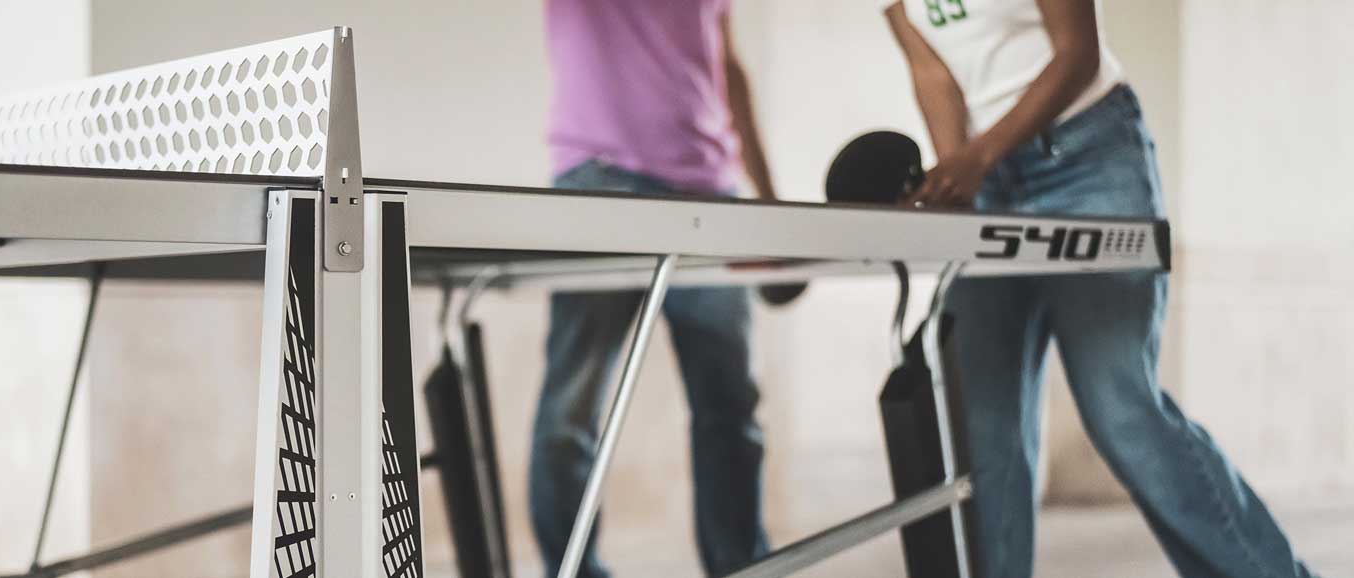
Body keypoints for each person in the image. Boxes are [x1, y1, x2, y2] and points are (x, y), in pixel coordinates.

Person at [882, 1, 1319, 577]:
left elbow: (1078, 54)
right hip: (988, 181)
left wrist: (977, 156)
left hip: (1086, 157)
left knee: (1120, 410)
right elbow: (931, 69)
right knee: (984, 432)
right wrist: (955, 178)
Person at [531, 1, 776, 577]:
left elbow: (727, 64)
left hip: (710, 194)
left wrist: (767, 199)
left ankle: (740, 566)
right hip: (600, 183)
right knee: (572, 409)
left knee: (730, 406)